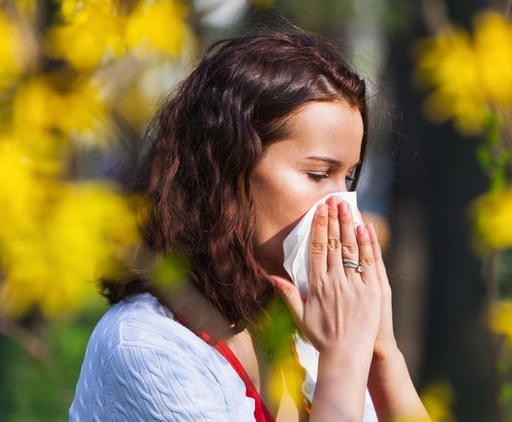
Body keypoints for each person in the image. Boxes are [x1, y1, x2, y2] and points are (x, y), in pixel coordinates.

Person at [69, 24, 430, 422]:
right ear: (227, 168)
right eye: (317, 174)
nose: (343, 207)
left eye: (346, 178)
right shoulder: (147, 347)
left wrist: (381, 352)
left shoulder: (305, 329)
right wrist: (343, 360)